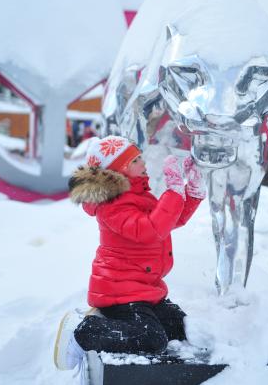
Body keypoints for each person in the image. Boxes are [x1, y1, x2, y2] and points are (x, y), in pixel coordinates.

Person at [54, 135, 206, 371]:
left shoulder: (138, 195)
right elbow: (150, 230)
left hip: (144, 289)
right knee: (152, 340)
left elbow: (167, 221)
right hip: (120, 291)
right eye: (136, 160)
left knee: (179, 327)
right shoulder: (111, 205)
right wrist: (173, 193)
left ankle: (113, 326)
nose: (143, 162)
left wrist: (192, 192)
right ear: (121, 170)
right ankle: (85, 331)